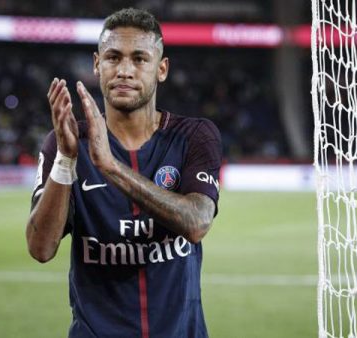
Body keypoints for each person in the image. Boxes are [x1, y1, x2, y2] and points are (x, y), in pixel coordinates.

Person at [26, 8, 222, 338]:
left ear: (161, 69)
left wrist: (111, 167)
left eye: (139, 59)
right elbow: (41, 248)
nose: (125, 70)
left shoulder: (194, 136)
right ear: (96, 65)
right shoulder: (66, 142)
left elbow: (197, 222)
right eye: (113, 57)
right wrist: (65, 160)